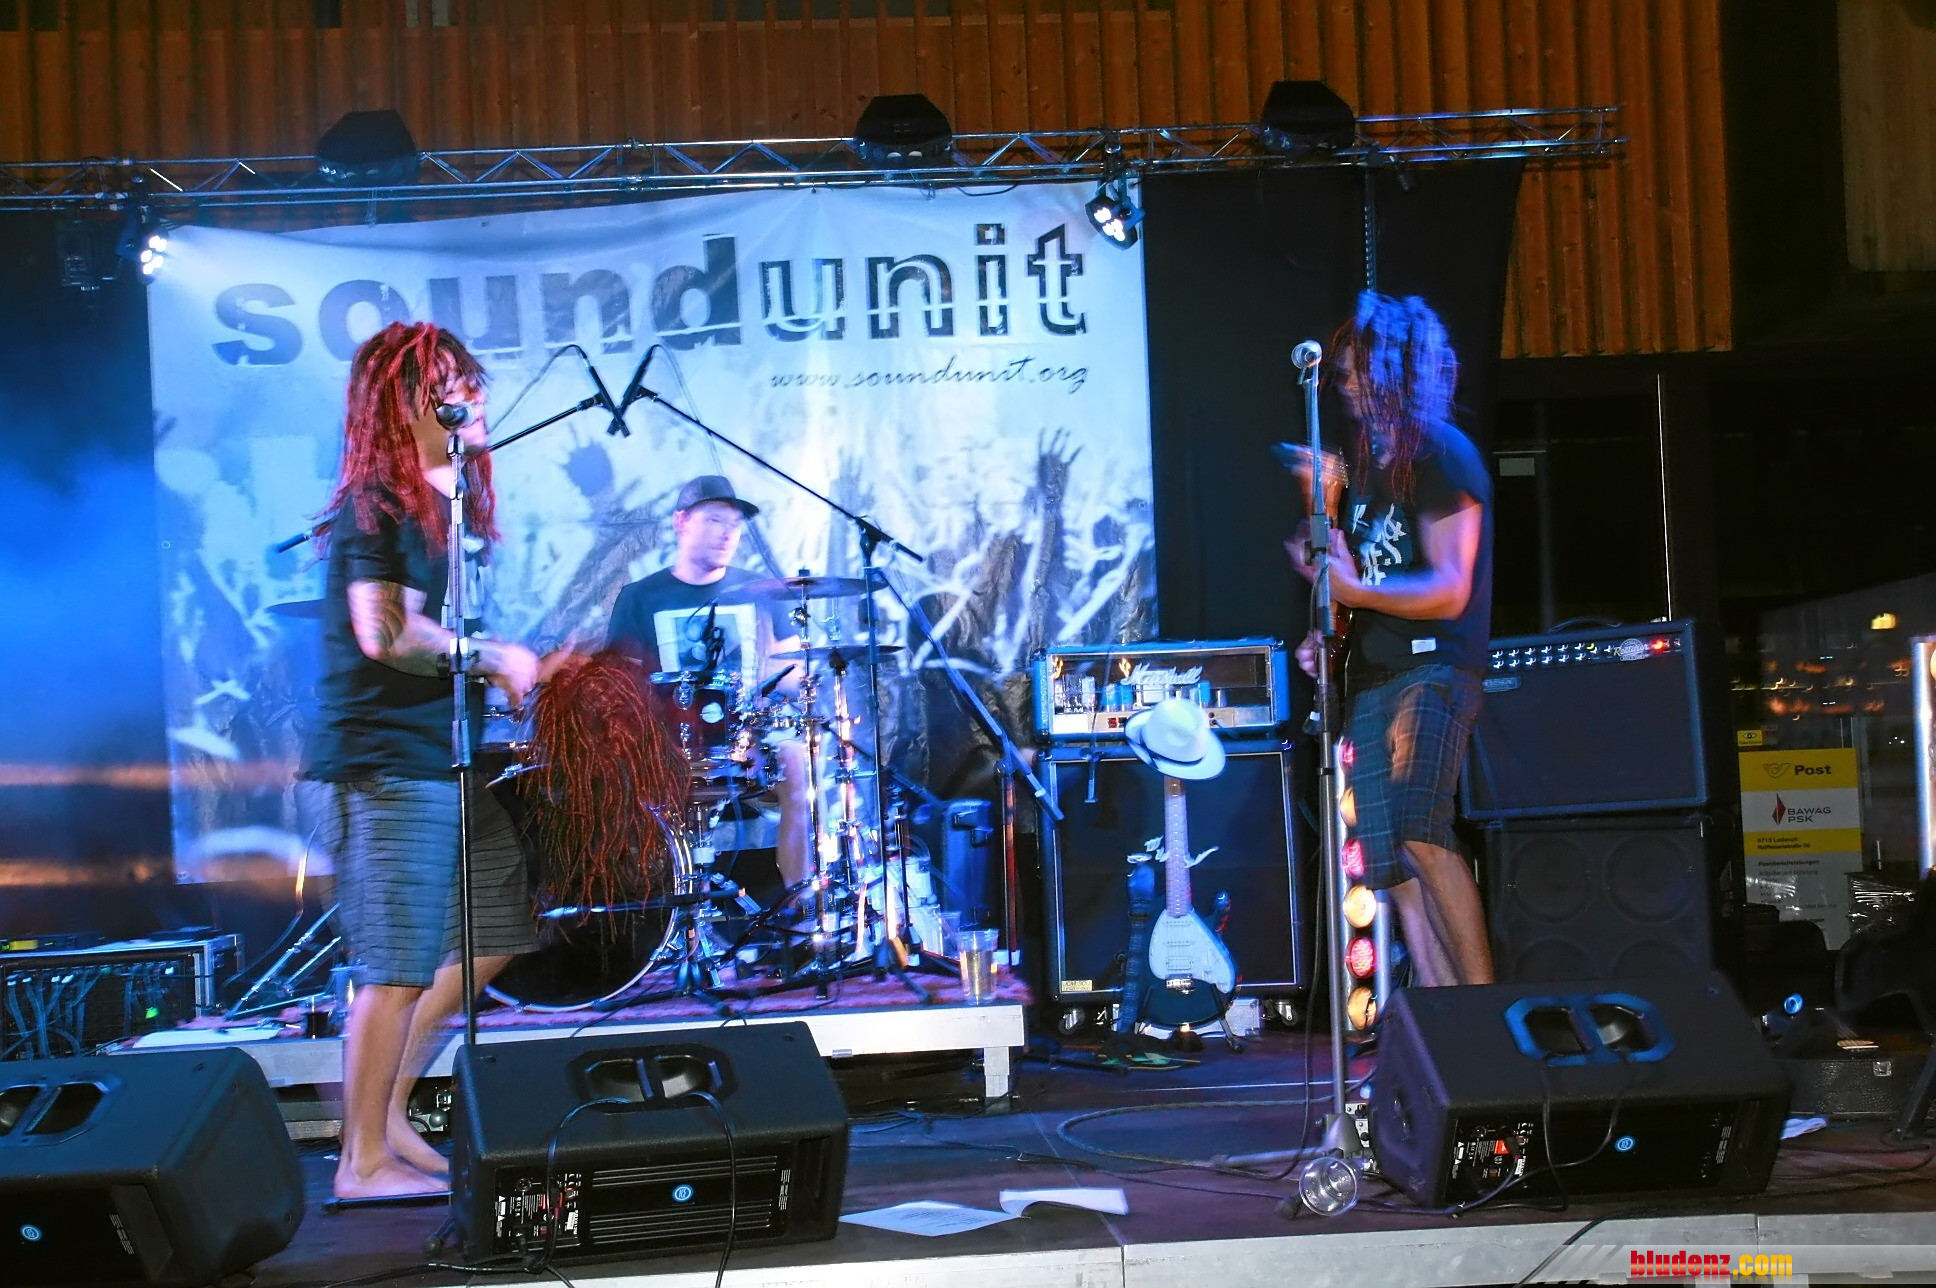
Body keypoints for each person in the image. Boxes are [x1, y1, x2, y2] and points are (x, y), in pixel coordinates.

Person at [301, 322, 540, 1201]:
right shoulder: (382, 504)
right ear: (407, 404)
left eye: (469, 380)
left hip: (444, 758)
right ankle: (360, 1161)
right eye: (447, 383)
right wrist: (492, 656)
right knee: (397, 962)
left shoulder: (448, 506)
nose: (470, 395)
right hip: (387, 762)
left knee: (498, 927)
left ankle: (389, 1113)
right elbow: (388, 634)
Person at [1286, 291, 1495, 989]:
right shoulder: (1370, 472)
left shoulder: (1441, 452)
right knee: (1390, 866)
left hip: (1431, 672)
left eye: (1357, 373)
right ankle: (1440, 1017)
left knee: (1421, 833)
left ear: (1397, 372)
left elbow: (1449, 588)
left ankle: (1485, 1010)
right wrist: (1326, 635)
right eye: (1342, 374)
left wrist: (1354, 592)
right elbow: (1366, 582)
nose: (1345, 386)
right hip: (1372, 678)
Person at [605, 475, 812, 887]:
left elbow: (793, 672)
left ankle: (801, 902)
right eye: (715, 520)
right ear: (681, 522)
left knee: (796, 761)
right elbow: (621, 686)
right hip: (670, 741)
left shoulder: (762, 590)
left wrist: (807, 676)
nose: (727, 533)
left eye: (734, 524)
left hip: (748, 737)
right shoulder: (641, 597)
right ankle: (671, 904)